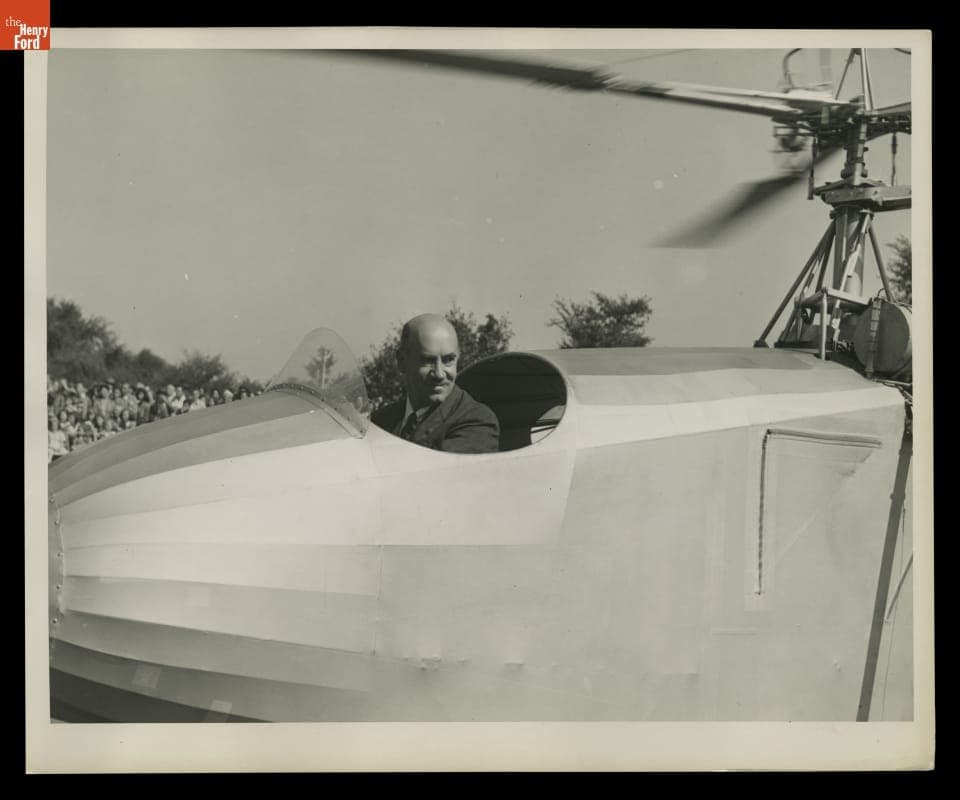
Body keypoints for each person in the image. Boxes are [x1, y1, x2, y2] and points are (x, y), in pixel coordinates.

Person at [371, 314, 499, 453]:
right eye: (427, 360)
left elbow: (430, 470)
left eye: (448, 360)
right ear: (402, 361)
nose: (439, 374)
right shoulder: (379, 421)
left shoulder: (477, 422)